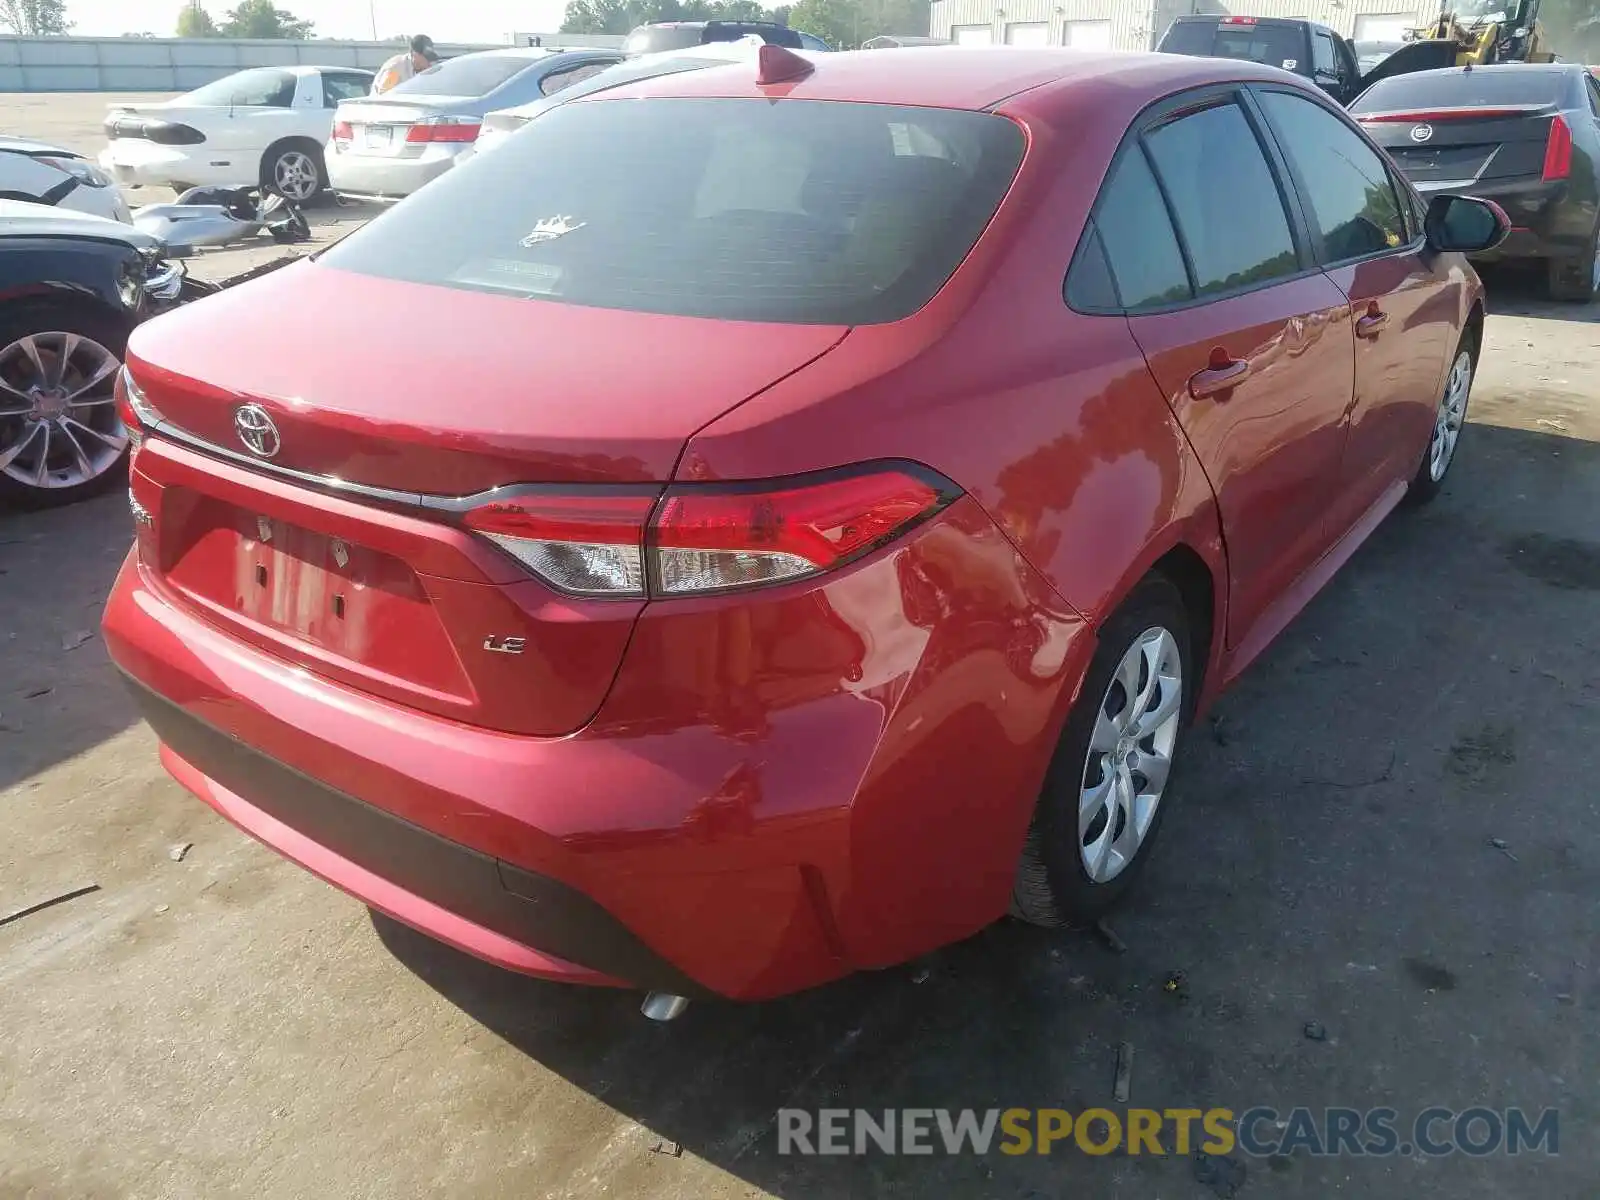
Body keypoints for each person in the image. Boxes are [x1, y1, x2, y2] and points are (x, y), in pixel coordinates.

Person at [371, 35, 439, 95]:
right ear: (414, 54)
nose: (428, 62)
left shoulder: (422, 69)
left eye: (430, 58)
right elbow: (384, 94)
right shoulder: (396, 68)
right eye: (426, 57)